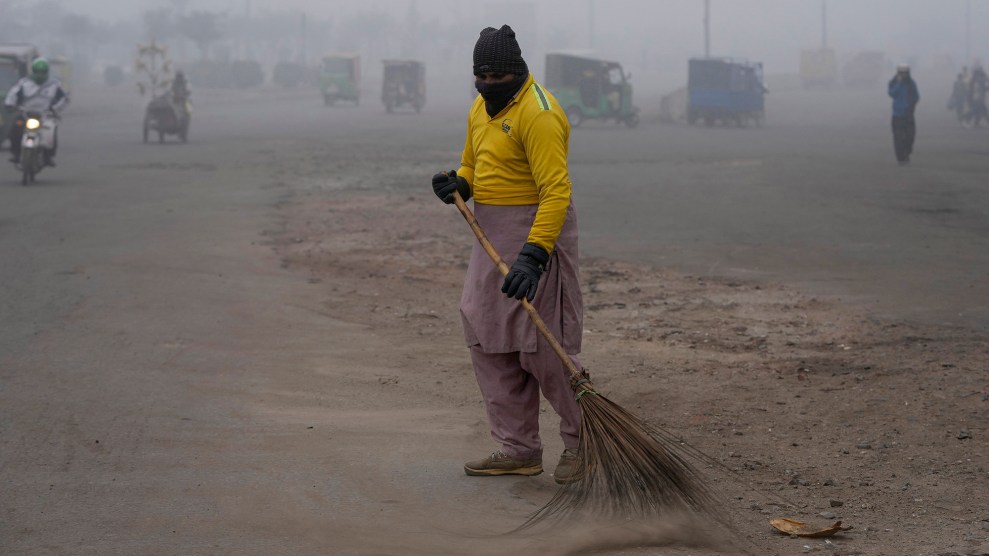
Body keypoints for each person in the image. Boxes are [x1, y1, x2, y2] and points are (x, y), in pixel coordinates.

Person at [430, 24, 584, 485]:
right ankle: (519, 449)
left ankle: (581, 442)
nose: (490, 83)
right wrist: (459, 184)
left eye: (499, 76)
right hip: (490, 234)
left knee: (543, 344)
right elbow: (473, 165)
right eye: (482, 75)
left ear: (518, 72)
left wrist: (534, 256)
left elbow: (556, 191)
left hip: (537, 230)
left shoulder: (539, 112)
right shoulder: (479, 107)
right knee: (486, 332)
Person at [4, 57, 69, 166]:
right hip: (26, 114)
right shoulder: (24, 83)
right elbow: (12, 94)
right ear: (33, 71)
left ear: (47, 72)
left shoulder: (54, 85)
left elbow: (64, 99)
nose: (40, 75)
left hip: (45, 115)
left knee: (51, 132)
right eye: (38, 72)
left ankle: (48, 156)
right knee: (15, 129)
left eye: (42, 72)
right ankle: (16, 153)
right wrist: (10, 105)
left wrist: (55, 109)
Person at [887, 64, 919, 165]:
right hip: (897, 115)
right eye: (902, 73)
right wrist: (899, 83)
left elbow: (916, 97)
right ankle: (901, 158)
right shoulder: (894, 83)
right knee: (898, 138)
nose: (904, 75)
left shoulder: (911, 84)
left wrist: (911, 106)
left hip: (908, 114)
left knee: (910, 136)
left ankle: (907, 153)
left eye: (906, 73)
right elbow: (892, 93)